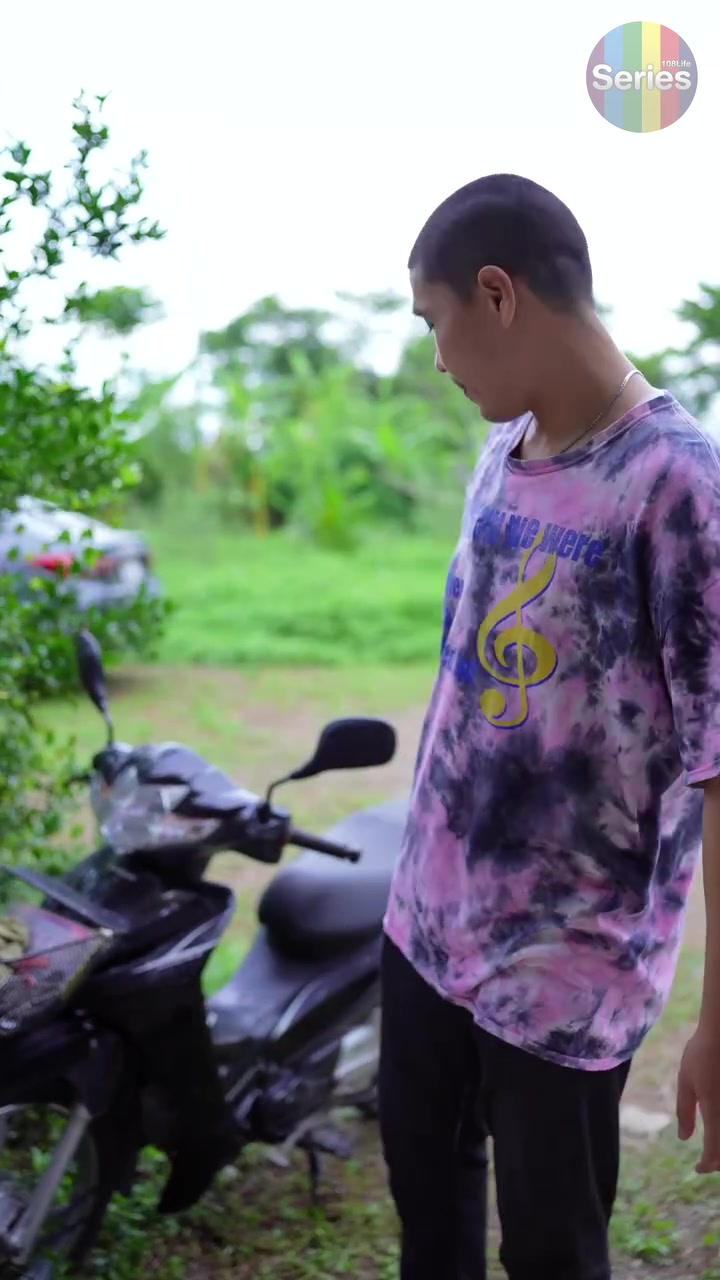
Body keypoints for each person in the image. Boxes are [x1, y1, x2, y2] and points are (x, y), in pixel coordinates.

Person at [379, 172, 720, 1280]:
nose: (437, 356)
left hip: (567, 978)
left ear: (498, 293)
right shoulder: (502, 450)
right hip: (426, 932)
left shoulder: (677, 485)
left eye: (435, 320)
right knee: (430, 1224)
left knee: (553, 1254)